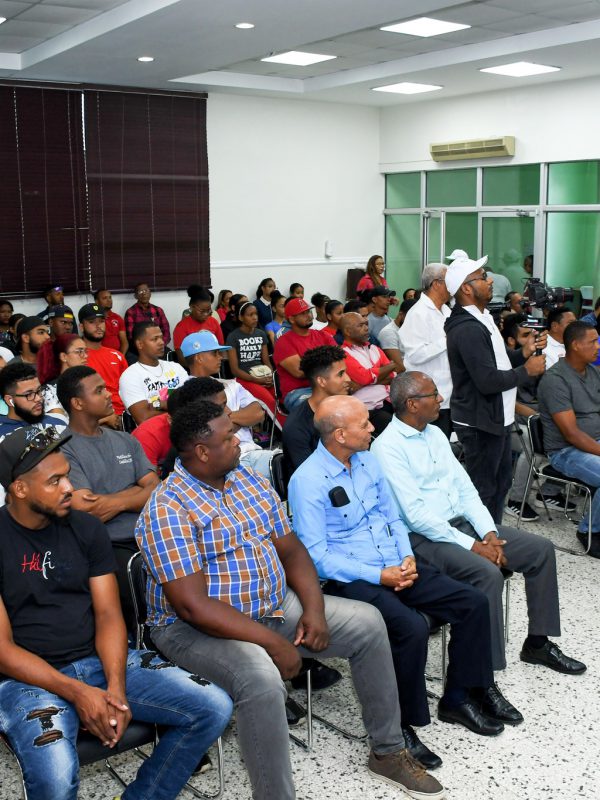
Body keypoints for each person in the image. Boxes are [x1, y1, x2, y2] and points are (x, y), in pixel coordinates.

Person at [136, 400, 445, 800]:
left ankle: (388, 752)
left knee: (368, 623)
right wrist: (275, 643)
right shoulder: (167, 508)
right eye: (229, 437)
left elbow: (293, 550)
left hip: (271, 606)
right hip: (194, 629)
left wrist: (314, 609)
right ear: (201, 451)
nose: (238, 442)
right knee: (263, 682)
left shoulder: (245, 479)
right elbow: (192, 607)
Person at [0, 425, 232, 800]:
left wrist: (115, 690)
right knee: (56, 777)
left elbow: (109, 615)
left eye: (67, 476)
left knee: (213, 707)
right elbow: (3, 650)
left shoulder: (86, 528)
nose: (69, 488)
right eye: (55, 481)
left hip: (98, 660)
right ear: (20, 489)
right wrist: (79, 693)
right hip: (27, 680)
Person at [290, 396, 502, 763]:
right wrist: (379, 575)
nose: (373, 428)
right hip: (351, 577)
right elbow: (317, 557)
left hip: (395, 563)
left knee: (472, 602)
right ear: (340, 435)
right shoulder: (307, 481)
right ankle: (399, 725)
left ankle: (460, 697)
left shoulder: (368, 461)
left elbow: (392, 518)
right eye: (364, 424)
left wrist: (406, 558)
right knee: (410, 627)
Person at [371, 371, 586, 695]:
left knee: (540, 549)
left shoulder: (434, 433)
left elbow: (465, 490)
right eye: (433, 394)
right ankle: (484, 678)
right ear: (413, 404)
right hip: (425, 539)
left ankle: (538, 643)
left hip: (463, 527)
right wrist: (473, 545)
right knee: (487, 574)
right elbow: (416, 517)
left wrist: (488, 533)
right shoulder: (387, 448)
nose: (441, 399)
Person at [57, 366, 159, 631]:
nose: (108, 395)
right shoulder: (62, 449)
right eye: (99, 390)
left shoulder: (125, 440)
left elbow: (155, 489)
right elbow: (87, 509)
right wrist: (134, 493)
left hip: (150, 532)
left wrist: (115, 502)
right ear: (77, 403)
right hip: (107, 544)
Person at [444, 257, 546, 523]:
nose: (489, 280)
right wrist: (527, 371)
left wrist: (523, 353)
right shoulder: (467, 328)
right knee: (484, 491)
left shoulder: (483, 317)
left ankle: (494, 536)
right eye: (482, 277)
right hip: (480, 422)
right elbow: (487, 381)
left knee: (500, 484)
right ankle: (483, 544)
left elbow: (499, 361)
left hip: (496, 417)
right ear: (466, 288)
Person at [500, 314, 574, 521]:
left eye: (531, 335)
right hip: (512, 419)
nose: (531, 340)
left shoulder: (538, 358)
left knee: (573, 431)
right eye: (525, 336)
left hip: (537, 415)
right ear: (511, 341)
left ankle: (549, 491)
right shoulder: (507, 363)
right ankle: (516, 501)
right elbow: (509, 401)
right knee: (533, 442)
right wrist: (539, 417)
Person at [537, 321, 600, 557]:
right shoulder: (556, 380)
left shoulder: (593, 373)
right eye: (593, 342)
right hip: (565, 452)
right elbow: (571, 434)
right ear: (575, 345)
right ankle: (589, 531)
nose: (598, 346)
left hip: (593, 442)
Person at [398, 263, 453, 438]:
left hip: (451, 395)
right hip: (429, 397)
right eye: (450, 280)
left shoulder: (447, 310)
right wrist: (447, 340)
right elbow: (415, 355)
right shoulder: (418, 313)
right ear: (436, 283)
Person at [282, 344, 350, 473]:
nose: (348, 379)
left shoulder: (347, 410)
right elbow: (311, 475)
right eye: (340, 374)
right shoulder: (297, 426)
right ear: (321, 381)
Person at [119, 321, 188, 425]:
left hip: (184, 427)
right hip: (155, 432)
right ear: (140, 344)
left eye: (161, 338)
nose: (161, 342)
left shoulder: (175, 367)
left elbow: (191, 401)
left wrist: (162, 404)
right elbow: (143, 418)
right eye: (155, 339)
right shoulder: (130, 376)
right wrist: (179, 410)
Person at [272, 298, 335, 409]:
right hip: (299, 391)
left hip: (326, 385)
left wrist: (316, 363)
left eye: (309, 311)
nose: (309, 315)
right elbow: (300, 372)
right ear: (292, 319)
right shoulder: (283, 342)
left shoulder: (323, 335)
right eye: (303, 313)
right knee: (324, 408)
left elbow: (340, 358)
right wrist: (328, 362)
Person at [340, 312, 395, 436]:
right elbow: (365, 377)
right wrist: (388, 367)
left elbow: (392, 376)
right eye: (360, 325)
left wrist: (363, 383)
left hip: (389, 401)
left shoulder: (375, 348)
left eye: (366, 324)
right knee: (393, 429)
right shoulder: (343, 353)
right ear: (347, 331)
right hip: (366, 408)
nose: (366, 328)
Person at [79, 303, 128, 426]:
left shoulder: (117, 355)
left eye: (101, 321)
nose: (98, 326)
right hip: (97, 420)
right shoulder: (77, 357)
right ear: (81, 327)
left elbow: (128, 389)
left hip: (125, 415)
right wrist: (104, 419)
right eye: (92, 322)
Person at [0, 363, 66, 441]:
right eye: (29, 394)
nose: (38, 398)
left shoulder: (58, 420)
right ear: (10, 400)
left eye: (39, 391)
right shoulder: (2, 436)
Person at [37, 334, 89, 420]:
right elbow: (61, 422)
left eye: (85, 351)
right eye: (79, 351)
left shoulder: (88, 382)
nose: (86, 356)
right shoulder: (49, 390)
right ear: (63, 357)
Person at [173, 284, 224, 363]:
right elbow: (181, 358)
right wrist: (202, 366)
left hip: (213, 365)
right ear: (191, 307)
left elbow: (221, 348)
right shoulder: (181, 327)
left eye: (208, 310)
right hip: (193, 368)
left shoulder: (213, 322)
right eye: (202, 311)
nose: (206, 314)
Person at [124, 282, 171, 347]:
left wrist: (160, 344)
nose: (144, 293)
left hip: (159, 346)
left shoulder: (158, 310)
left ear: (150, 293)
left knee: (170, 353)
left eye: (146, 290)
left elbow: (166, 332)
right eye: (140, 291)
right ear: (135, 296)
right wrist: (146, 348)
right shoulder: (131, 312)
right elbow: (130, 336)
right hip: (140, 348)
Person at [378, 298, 416, 373]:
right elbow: (400, 366)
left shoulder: (412, 328)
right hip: (404, 375)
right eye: (411, 318)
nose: (414, 322)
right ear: (401, 315)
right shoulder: (388, 333)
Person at [94, 288, 128, 354]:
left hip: (119, 353)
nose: (109, 300)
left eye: (110, 297)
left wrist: (121, 356)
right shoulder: (93, 319)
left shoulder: (117, 318)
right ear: (97, 301)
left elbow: (124, 342)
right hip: (102, 354)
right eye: (105, 298)